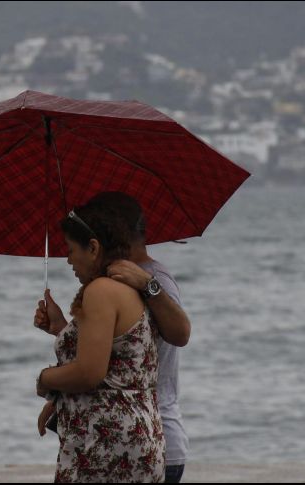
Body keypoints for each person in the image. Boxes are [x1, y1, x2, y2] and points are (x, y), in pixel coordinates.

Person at [35, 192, 191, 483]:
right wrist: (62, 330)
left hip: (117, 441)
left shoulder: (141, 279)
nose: (67, 259)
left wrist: (45, 378)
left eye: (70, 249)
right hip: (140, 435)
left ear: (96, 243)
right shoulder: (117, 284)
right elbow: (118, 355)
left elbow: (93, 371)